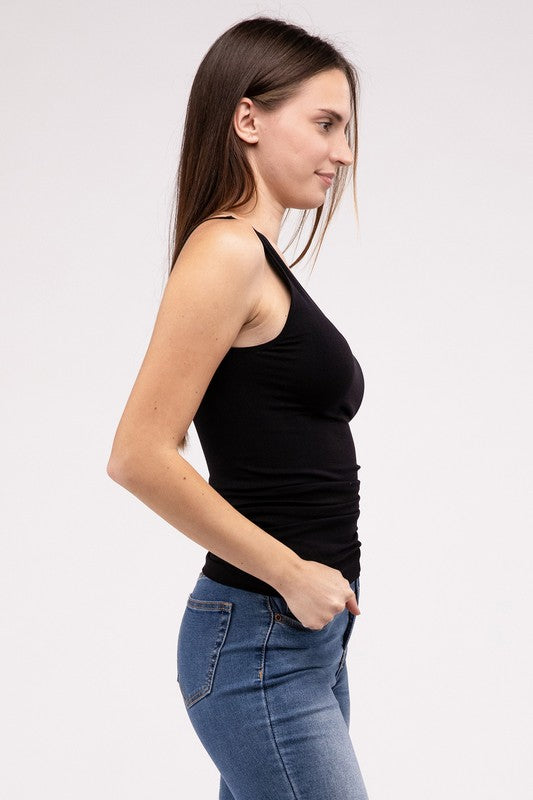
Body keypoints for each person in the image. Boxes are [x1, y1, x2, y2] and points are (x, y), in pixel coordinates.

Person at [107, 15, 369, 800]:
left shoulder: (256, 262)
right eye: (324, 124)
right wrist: (291, 574)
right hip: (260, 642)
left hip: (299, 641)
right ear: (248, 117)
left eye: (346, 129)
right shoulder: (224, 251)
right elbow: (139, 455)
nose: (343, 153)